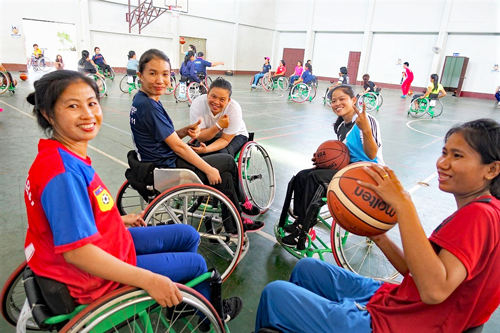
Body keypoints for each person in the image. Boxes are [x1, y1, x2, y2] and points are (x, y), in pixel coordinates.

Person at [23, 70, 242, 325]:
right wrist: (147, 279)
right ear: (48, 114)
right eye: (73, 106)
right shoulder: (62, 174)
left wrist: (117, 218)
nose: (87, 114)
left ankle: (180, 303)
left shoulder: (61, 157)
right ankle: (208, 316)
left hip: (108, 241)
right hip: (94, 277)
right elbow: (78, 253)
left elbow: (72, 215)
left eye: (92, 103)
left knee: (188, 234)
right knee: (196, 264)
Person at [256, 118, 500, 333]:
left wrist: (404, 206)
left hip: (400, 323)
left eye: (457, 156)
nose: (443, 163)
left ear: (492, 169)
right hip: (403, 303)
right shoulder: (486, 212)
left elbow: (434, 291)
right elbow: (417, 273)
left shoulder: (479, 216)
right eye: (444, 152)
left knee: (276, 294)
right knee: (307, 268)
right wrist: (379, 236)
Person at [129, 49, 263, 233]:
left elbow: (164, 137)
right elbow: (178, 148)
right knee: (226, 163)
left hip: (157, 161)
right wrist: (208, 169)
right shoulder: (150, 107)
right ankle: (239, 210)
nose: (160, 80)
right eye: (153, 73)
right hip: (167, 168)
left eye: (165, 74)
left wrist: (183, 131)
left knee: (223, 175)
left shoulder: (142, 100)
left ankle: (235, 219)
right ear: (140, 75)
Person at [282, 85, 384, 247]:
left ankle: (305, 229)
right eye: (333, 101)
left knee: (316, 178)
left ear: (354, 100)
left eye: (342, 99)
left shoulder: (367, 121)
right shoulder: (340, 126)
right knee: (303, 175)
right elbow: (340, 154)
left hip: (368, 174)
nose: (337, 103)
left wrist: (366, 131)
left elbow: (372, 155)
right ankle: (301, 220)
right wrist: (323, 160)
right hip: (347, 170)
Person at [189, 77, 249, 158]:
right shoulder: (198, 104)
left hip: (235, 136)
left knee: (222, 155)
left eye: (222, 99)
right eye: (213, 96)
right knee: (195, 154)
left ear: (228, 101)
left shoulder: (234, 109)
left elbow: (225, 139)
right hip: (211, 134)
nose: (216, 102)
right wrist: (218, 126)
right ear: (207, 94)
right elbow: (200, 137)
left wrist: (207, 149)